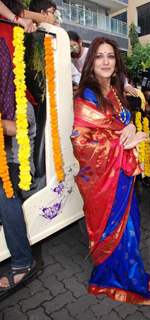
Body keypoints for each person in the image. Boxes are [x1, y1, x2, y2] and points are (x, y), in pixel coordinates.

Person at [71, 37, 150, 305]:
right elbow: (80, 141)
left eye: (110, 56)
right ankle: (116, 280)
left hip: (122, 174)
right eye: (99, 56)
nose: (106, 61)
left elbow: (123, 124)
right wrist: (122, 142)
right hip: (105, 178)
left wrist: (130, 130)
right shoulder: (88, 94)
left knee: (130, 226)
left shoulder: (116, 91)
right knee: (117, 228)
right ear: (91, 62)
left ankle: (122, 274)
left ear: (117, 62)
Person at [0, 0, 37, 294]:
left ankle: (23, 261)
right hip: (12, 108)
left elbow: (14, 126)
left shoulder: (12, 22)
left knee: (7, 189)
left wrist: (17, 17)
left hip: (18, 106)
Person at [68, 30, 138, 96]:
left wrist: (125, 85)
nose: (71, 50)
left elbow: (116, 70)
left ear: (80, 42)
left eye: (73, 46)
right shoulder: (69, 60)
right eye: (68, 47)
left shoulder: (90, 54)